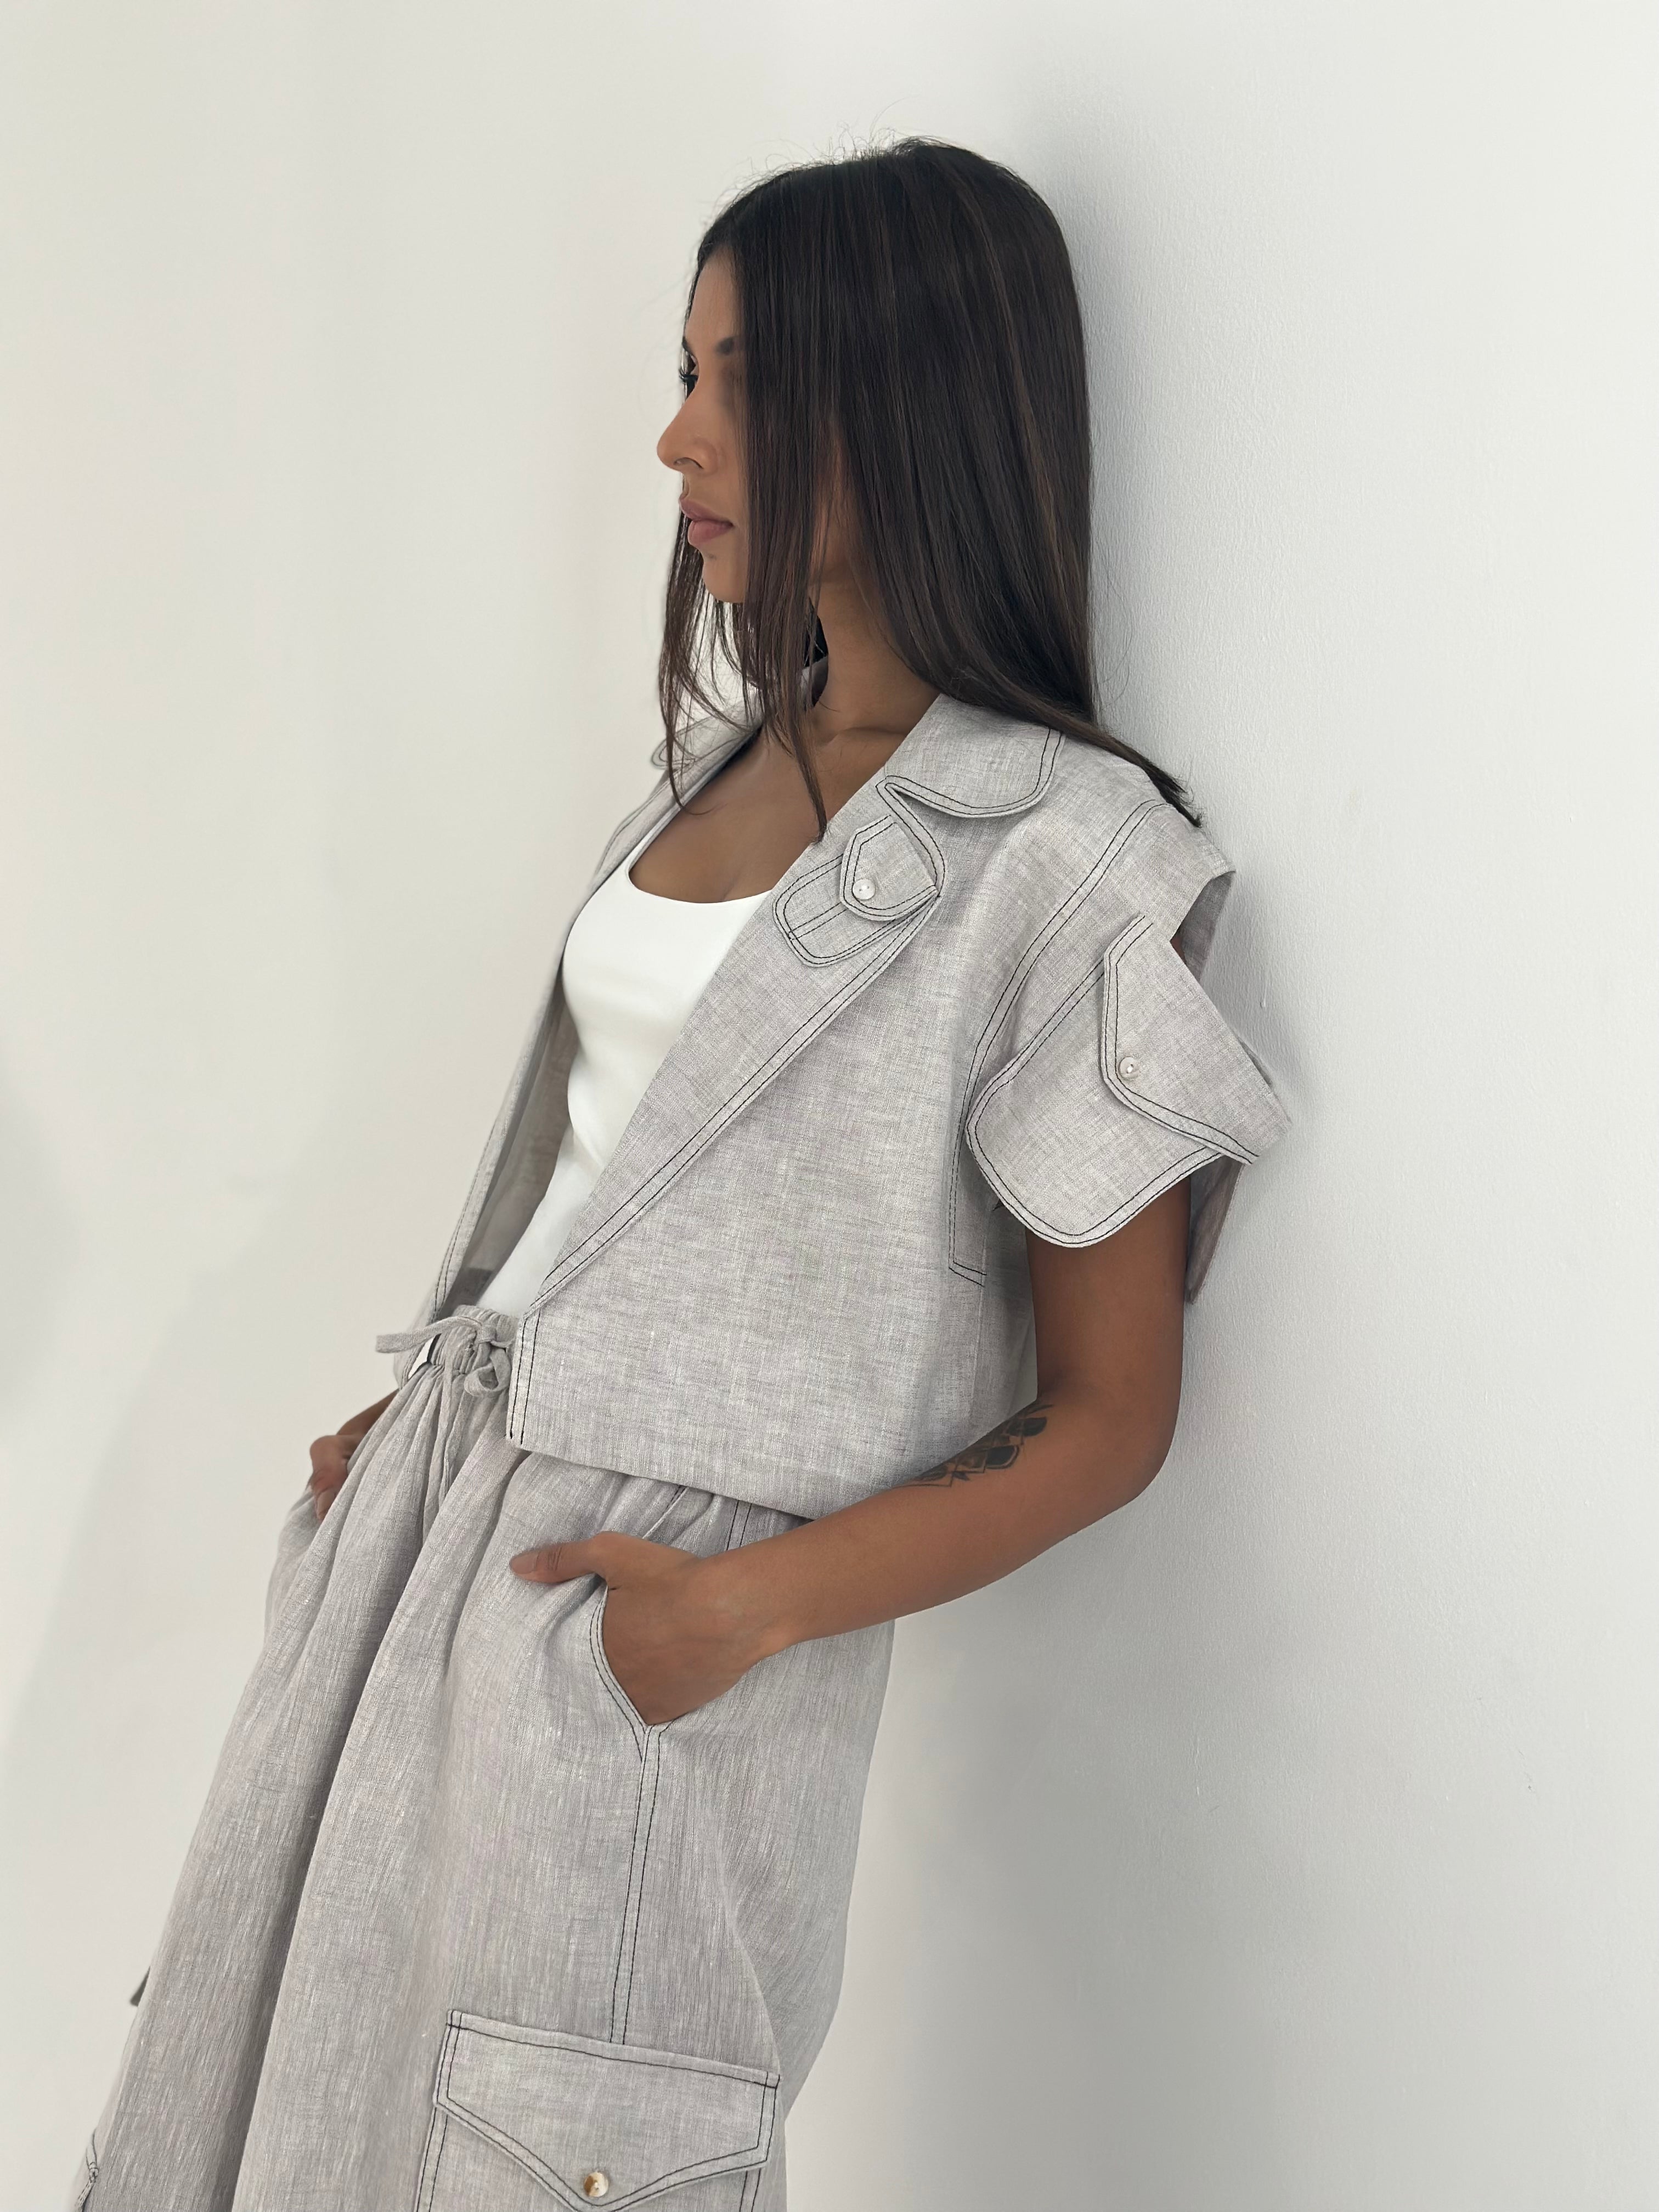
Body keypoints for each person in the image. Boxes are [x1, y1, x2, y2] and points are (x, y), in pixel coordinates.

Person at [71, 138, 1287, 2211]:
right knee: (271, 2093)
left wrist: (736, 1613)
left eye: (743, 381)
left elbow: (1112, 1414)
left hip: (647, 1650)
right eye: (688, 372)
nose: (679, 439)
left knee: (540, 2146)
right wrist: (441, 1398)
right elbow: (621, 1172)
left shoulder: (1063, 863)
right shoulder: (721, 767)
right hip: (428, 1561)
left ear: (905, 400)